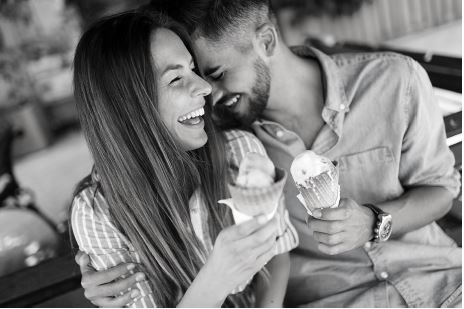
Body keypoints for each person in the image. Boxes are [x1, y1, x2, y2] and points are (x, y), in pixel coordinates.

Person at [76, 1, 462, 307]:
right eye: (191, 76)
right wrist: (102, 272)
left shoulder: (394, 80)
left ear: (267, 42)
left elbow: (441, 190)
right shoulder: (224, 142)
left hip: (440, 282)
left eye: (215, 72)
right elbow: (135, 148)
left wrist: (376, 221)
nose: (208, 92)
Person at [71, 10, 298, 308]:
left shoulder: (241, 153)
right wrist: (217, 277)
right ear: (127, 107)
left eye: (194, 70)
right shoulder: (96, 213)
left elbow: (277, 253)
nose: (205, 88)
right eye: (176, 78)